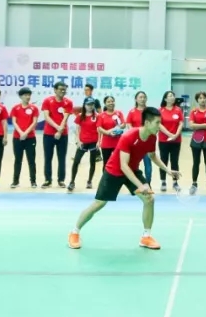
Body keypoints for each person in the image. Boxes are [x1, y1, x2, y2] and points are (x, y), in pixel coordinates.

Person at [67, 107, 179, 252]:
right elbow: (123, 166)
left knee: (149, 199)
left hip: (132, 170)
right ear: (147, 122)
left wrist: (168, 170)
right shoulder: (129, 136)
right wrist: (140, 185)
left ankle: (146, 236)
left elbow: (152, 156)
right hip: (114, 171)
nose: (160, 126)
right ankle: (74, 232)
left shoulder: (152, 137)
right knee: (99, 203)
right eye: (157, 123)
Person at [68, 97, 101, 191]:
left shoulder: (97, 116)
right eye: (88, 104)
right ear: (84, 105)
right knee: (76, 162)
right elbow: (77, 129)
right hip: (83, 142)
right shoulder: (80, 116)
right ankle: (72, 182)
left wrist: (99, 141)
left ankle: (89, 181)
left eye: (92, 104)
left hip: (93, 142)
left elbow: (99, 129)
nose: (90, 106)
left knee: (92, 163)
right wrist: (78, 140)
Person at [9, 87, 39, 189]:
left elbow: (34, 122)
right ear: (21, 96)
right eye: (25, 95)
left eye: (29, 95)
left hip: (30, 138)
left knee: (31, 160)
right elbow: (14, 122)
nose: (28, 97)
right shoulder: (15, 108)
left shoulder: (34, 108)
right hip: (17, 138)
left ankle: (33, 181)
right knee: (18, 160)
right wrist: (21, 133)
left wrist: (25, 133)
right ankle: (15, 181)